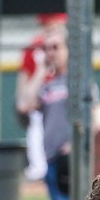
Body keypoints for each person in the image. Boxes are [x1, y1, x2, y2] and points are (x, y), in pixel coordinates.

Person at [16, 22, 72, 200]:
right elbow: (24, 105)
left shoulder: (76, 81)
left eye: (56, 47)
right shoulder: (48, 85)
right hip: (52, 158)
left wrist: (73, 144)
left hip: (71, 160)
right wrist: (40, 70)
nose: (51, 53)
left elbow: (92, 117)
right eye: (47, 48)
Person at [15, 13, 68, 182]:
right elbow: (23, 98)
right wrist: (41, 70)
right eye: (48, 25)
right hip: (41, 103)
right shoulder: (35, 49)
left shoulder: (69, 47)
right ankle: (41, 170)